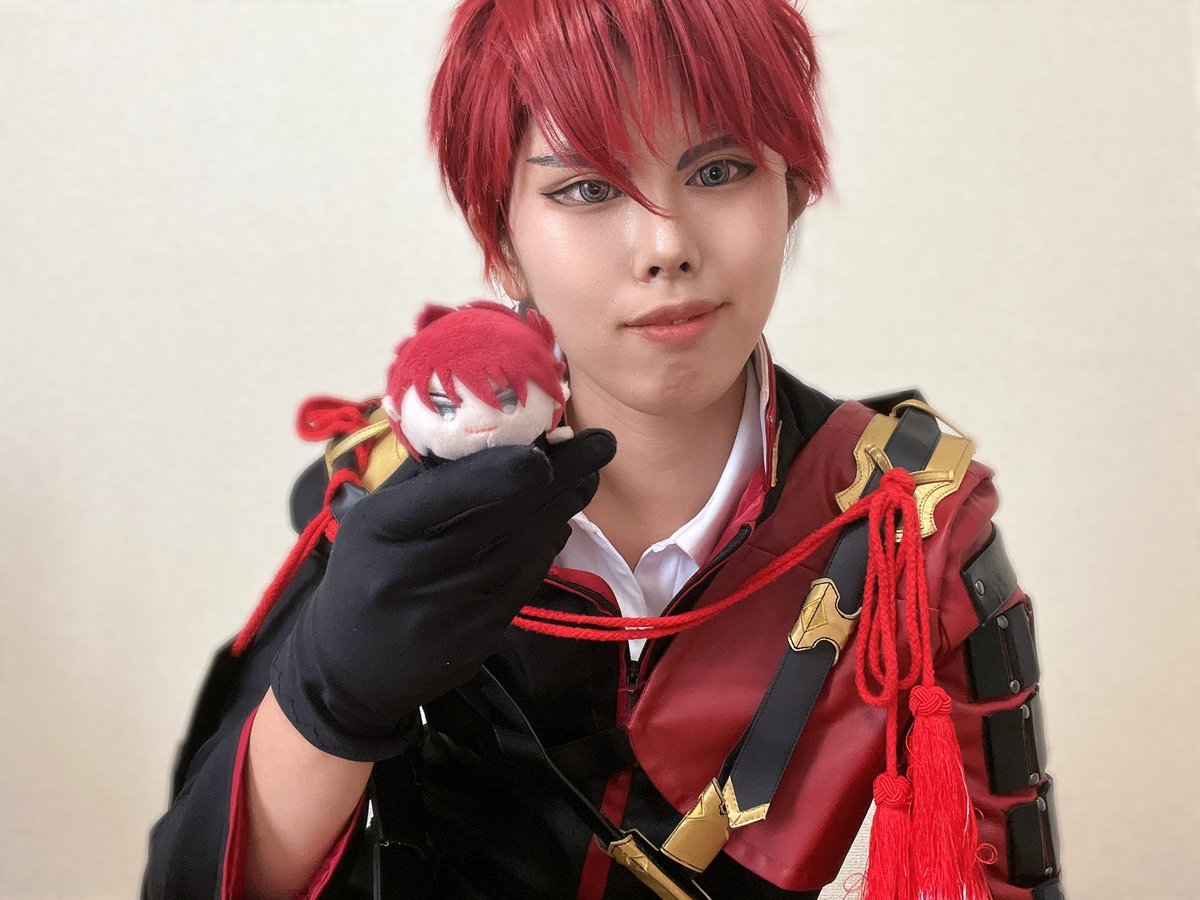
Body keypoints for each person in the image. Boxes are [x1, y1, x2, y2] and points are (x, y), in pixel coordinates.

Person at [142, 1, 1064, 898]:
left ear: (791, 193)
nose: (666, 246)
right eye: (586, 188)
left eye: (719, 170)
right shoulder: (389, 501)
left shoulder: (911, 527)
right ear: (501, 235)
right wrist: (331, 702)